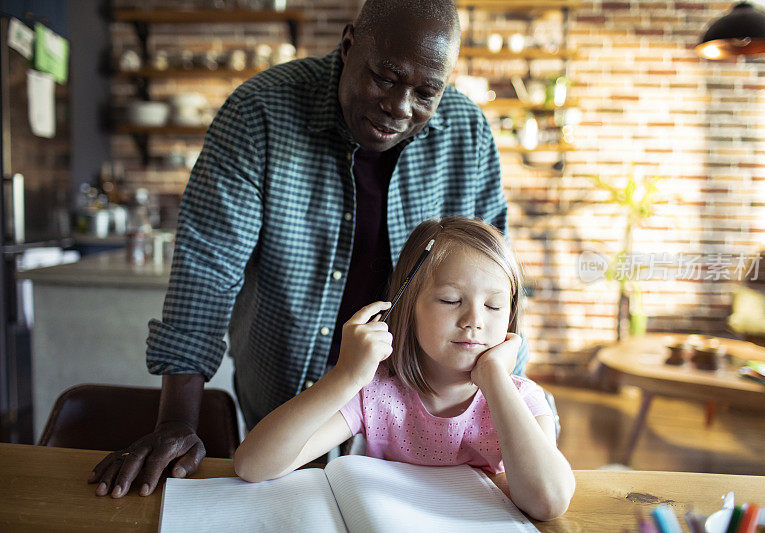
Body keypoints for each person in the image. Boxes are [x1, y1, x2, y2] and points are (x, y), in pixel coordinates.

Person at [88, 0, 532, 499]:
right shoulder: (259, 114)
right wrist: (176, 421)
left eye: (426, 92)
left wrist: (507, 407)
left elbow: (501, 285)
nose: (400, 107)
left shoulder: (466, 136)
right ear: (348, 46)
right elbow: (207, 272)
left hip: (415, 414)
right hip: (284, 394)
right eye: (385, 78)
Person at [234, 217, 575, 521]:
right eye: (450, 300)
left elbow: (549, 502)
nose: (474, 321)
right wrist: (346, 376)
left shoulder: (521, 399)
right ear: (409, 307)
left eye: (493, 305)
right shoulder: (376, 393)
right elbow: (253, 465)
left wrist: (495, 379)